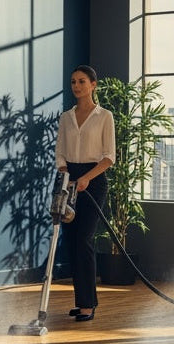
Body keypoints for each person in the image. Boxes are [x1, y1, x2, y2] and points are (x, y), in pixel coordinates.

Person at [55, 65, 115, 322]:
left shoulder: (104, 116)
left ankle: (88, 304)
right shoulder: (66, 117)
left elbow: (109, 156)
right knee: (70, 241)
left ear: (93, 85)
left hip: (94, 180)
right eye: (73, 82)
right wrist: (66, 175)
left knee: (84, 240)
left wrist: (87, 178)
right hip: (68, 180)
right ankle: (82, 302)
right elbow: (60, 153)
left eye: (81, 81)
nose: (76, 86)